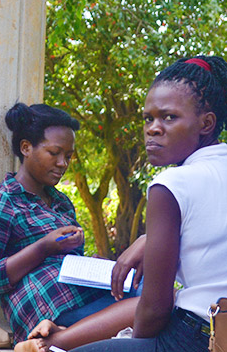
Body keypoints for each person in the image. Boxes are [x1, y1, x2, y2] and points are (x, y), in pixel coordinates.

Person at [15, 55, 227, 352]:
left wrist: (129, 342)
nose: (153, 129)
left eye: (169, 117)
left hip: (198, 338)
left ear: (206, 123)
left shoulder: (172, 185)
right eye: (148, 118)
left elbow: (154, 309)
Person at [0, 103, 130, 345]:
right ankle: (50, 342)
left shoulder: (61, 202)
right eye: (55, 153)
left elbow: (67, 263)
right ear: (26, 148)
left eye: (69, 156)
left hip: (87, 298)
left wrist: (92, 265)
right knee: (150, 304)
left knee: (159, 295)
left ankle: (57, 337)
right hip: (47, 309)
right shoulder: (1, 203)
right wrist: (43, 247)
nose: (63, 163)